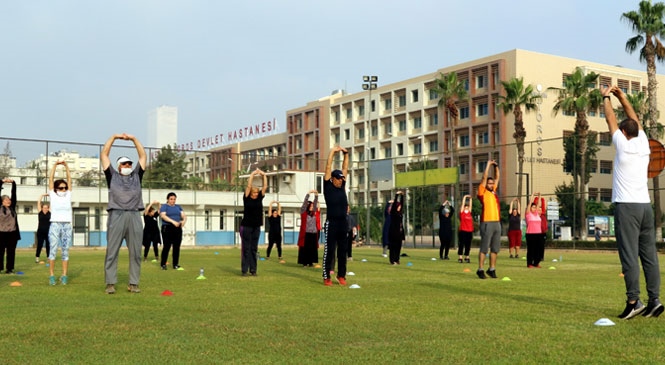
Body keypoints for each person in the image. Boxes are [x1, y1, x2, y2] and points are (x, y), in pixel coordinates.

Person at [602, 85, 662, 319]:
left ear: (624, 133)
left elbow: (610, 119)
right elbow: (633, 118)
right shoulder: (643, 143)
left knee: (629, 255)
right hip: (646, 207)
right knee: (649, 256)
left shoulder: (624, 145)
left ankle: (634, 301)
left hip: (627, 207)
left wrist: (606, 97)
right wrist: (622, 96)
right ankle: (654, 300)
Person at [101, 133, 147, 294]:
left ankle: (133, 283)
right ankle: (110, 283)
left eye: (129, 164)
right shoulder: (112, 176)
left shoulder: (136, 176)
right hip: (117, 215)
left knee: (135, 252)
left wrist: (134, 139)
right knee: (112, 251)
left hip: (134, 215)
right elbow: (104, 154)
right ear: (119, 166)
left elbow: (143, 155)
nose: (127, 166)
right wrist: (114, 137)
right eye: (124, 164)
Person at [322, 146, 349, 286]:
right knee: (330, 250)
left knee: (343, 250)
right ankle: (327, 277)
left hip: (343, 223)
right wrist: (333, 151)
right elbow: (328, 166)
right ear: (332, 179)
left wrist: (346, 154)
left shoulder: (342, 186)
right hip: (331, 223)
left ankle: (341, 276)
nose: (340, 180)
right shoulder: (328, 186)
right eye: (338, 179)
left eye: (341, 179)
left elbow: (345, 167)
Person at [47, 161, 73, 285]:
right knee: (53, 249)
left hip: (67, 224)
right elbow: (51, 179)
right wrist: (55, 166)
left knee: (65, 250)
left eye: (65, 187)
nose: (64, 189)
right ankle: (51, 275)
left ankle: (64, 275)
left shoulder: (68, 194)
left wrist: (66, 167)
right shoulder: (53, 194)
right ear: (56, 188)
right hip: (55, 224)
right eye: (61, 188)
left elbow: (69, 179)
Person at [240, 168, 267, 276]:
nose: (255, 194)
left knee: (253, 249)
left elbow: (264, 187)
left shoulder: (259, 198)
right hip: (246, 226)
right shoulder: (246, 198)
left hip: (256, 227)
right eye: (254, 193)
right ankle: (244, 270)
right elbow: (248, 186)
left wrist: (263, 175)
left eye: (256, 193)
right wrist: (252, 175)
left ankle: (253, 270)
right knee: (246, 248)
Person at [477, 160, 501, 279]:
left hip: (496, 222)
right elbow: (484, 177)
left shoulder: (493, 192)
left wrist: (496, 166)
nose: (491, 184)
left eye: (492, 183)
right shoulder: (483, 191)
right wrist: (488, 165)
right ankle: (480, 269)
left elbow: (497, 176)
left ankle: (492, 269)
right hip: (486, 222)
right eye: (489, 183)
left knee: (495, 248)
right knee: (484, 247)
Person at [159, 192, 187, 270]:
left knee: (176, 247)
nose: (173, 201)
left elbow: (183, 215)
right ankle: (163, 264)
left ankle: (175, 264)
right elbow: (163, 216)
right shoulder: (164, 207)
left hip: (177, 228)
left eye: (174, 199)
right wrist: (173, 221)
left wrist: (183, 221)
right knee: (167, 246)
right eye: (171, 199)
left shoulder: (178, 207)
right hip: (167, 228)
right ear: (168, 199)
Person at [0, 178, 20, 274]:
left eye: (9, 199)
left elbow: (14, 194)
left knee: (11, 252)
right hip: (1, 233)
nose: (9, 200)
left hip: (12, 233)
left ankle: (9, 269)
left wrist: (13, 183)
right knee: (0, 252)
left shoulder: (12, 208)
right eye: (6, 199)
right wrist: (2, 182)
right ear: (2, 201)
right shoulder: (0, 208)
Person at [297, 190, 320, 267]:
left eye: (313, 206)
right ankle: (305, 263)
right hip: (306, 233)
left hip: (313, 233)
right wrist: (308, 194)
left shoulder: (313, 213)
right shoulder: (304, 212)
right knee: (305, 249)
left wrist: (316, 195)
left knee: (312, 249)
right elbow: (304, 204)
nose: (312, 207)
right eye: (310, 206)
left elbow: (315, 202)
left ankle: (311, 262)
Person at [525, 193, 544, 268]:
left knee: (538, 249)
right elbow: (529, 204)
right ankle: (529, 263)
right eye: (533, 207)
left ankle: (536, 263)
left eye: (535, 207)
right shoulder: (528, 214)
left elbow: (539, 204)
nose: (534, 208)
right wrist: (532, 196)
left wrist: (539, 197)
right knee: (531, 250)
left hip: (538, 234)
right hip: (530, 234)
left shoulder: (537, 214)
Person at [388, 191, 406, 265]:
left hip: (399, 233)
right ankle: (392, 260)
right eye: (398, 206)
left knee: (398, 247)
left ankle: (397, 259)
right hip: (393, 232)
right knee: (393, 247)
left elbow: (402, 204)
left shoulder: (400, 213)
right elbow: (395, 203)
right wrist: (397, 195)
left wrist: (402, 196)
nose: (399, 207)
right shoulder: (393, 213)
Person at [457, 195, 473, 263]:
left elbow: (471, 205)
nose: (466, 208)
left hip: (469, 231)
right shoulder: (462, 213)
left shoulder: (469, 213)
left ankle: (467, 256)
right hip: (463, 230)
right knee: (461, 244)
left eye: (467, 207)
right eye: (465, 207)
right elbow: (463, 204)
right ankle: (460, 257)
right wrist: (465, 197)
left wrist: (470, 199)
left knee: (468, 244)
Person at [36, 195, 51, 263]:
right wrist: (42, 195)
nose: (45, 209)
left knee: (48, 244)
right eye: (44, 208)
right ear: (42, 208)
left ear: (48, 208)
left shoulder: (49, 213)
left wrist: (50, 196)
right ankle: (37, 257)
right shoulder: (40, 212)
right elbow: (38, 203)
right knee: (40, 244)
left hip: (48, 231)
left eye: (46, 208)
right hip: (40, 232)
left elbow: (52, 203)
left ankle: (48, 257)